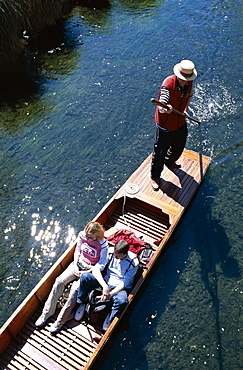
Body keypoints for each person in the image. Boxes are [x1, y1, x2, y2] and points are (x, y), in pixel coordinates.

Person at [35, 221, 108, 333]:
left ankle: (60, 322)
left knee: (75, 290)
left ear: (97, 235)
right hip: (77, 264)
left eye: (90, 237)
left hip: (90, 269)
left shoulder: (103, 244)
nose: (87, 239)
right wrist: (75, 266)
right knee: (59, 281)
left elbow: (102, 263)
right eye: (86, 236)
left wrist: (87, 271)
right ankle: (46, 313)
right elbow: (77, 250)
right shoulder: (82, 235)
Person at [151, 59, 197, 190]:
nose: (185, 81)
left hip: (180, 121)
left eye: (187, 79)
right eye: (183, 79)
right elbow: (161, 106)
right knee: (159, 152)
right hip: (165, 125)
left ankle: (170, 161)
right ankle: (155, 177)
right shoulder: (168, 85)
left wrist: (185, 111)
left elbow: (188, 98)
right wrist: (166, 109)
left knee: (179, 146)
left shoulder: (189, 83)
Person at [75, 239, 139, 331]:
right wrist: (105, 286)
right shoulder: (110, 252)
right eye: (115, 255)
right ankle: (82, 302)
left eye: (118, 257)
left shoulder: (133, 263)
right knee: (85, 277)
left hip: (119, 288)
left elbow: (125, 283)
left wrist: (110, 294)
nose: (115, 257)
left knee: (122, 301)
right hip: (106, 282)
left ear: (125, 254)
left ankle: (111, 316)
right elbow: (96, 269)